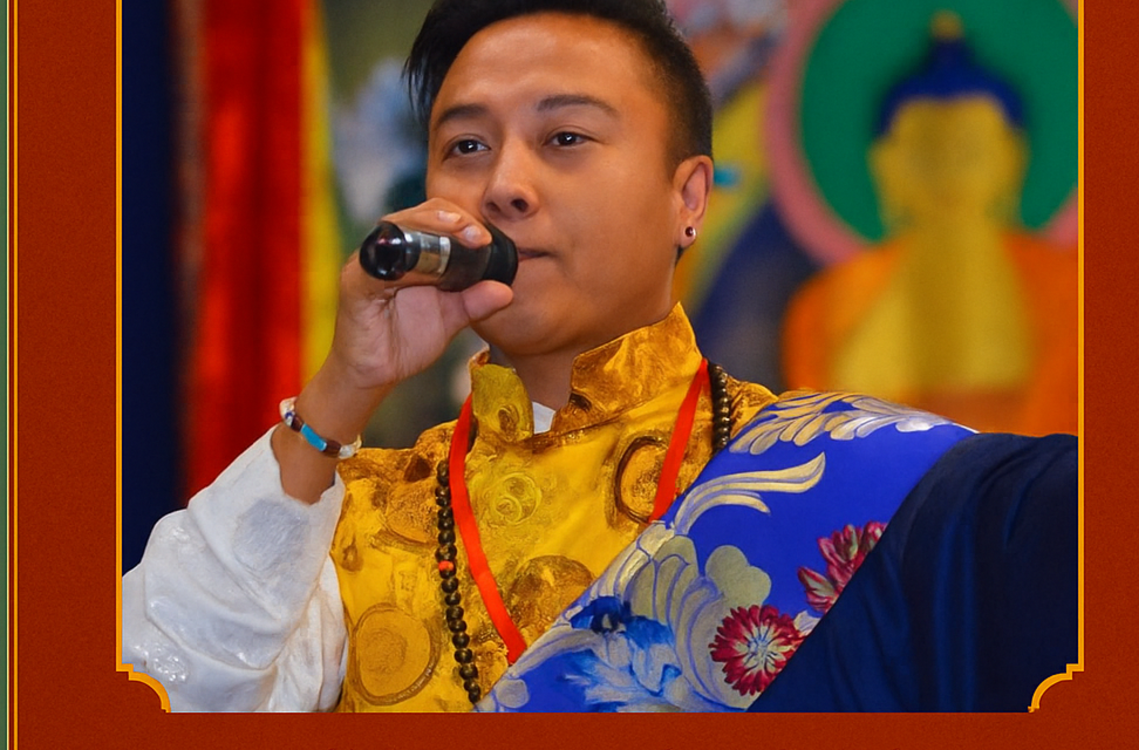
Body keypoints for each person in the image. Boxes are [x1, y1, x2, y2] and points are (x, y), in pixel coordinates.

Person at [122, 0, 1077, 712]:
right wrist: (345, 387)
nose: (504, 185)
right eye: (465, 146)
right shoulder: (351, 523)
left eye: (565, 137)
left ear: (688, 197)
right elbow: (149, 691)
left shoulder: (851, 479)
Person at [780, 12, 1078, 436]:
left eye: (971, 148)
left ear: (1013, 157)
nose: (948, 170)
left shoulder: (1074, 295)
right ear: (883, 164)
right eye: (924, 149)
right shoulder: (828, 310)